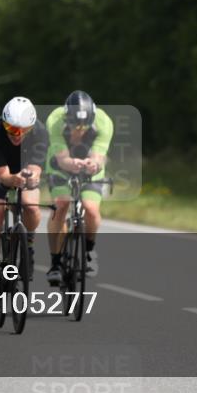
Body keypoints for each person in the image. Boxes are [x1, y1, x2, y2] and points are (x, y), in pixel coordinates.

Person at [0, 97, 48, 293]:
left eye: (22, 131)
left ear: (31, 127)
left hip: (25, 166)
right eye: (11, 129)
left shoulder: (40, 133)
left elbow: (35, 169)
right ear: (3, 123)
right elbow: (3, 177)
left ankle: (29, 244)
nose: (17, 135)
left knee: (32, 207)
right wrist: (13, 179)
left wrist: (30, 177)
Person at [45, 91, 113, 284]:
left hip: (90, 169)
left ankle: (89, 251)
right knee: (62, 205)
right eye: (75, 125)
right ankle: (55, 262)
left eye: (84, 125)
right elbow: (62, 159)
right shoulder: (55, 120)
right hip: (60, 166)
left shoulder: (104, 122)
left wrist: (94, 164)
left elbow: (99, 157)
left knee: (91, 210)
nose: (80, 129)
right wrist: (71, 163)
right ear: (67, 118)